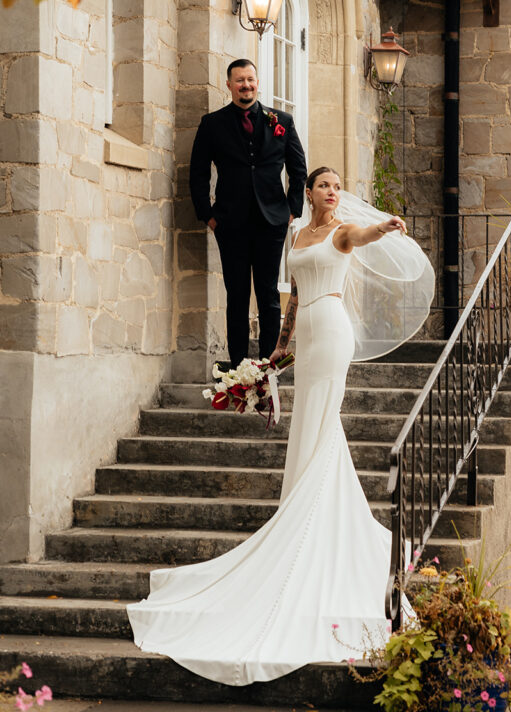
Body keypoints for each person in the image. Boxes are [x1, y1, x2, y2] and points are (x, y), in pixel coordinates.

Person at [127, 167, 434, 686]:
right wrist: (278, 347)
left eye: (338, 186)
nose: (332, 193)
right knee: (307, 426)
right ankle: (300, 512)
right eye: (324, 186)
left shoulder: (342, 232)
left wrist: (382, 228)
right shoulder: (297, 233)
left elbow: (359, 237)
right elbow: (292, 295)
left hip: (333, 330)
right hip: (307, 334)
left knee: (324, 422)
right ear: (309, 192)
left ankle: (313, 525)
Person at [188, 58, 307, 367]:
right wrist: (208, 215)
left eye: (250, 80)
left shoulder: (282, 121)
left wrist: (291, 211)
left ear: (258, 82)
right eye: (239, 80)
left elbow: (298, 169)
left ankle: (268, 367)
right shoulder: (212, 124)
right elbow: (198, 173)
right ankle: (239, 369)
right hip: (230, 223)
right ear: (229, 85)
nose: (246, 85)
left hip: (272, 222)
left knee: (268, 295)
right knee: (237, 296)